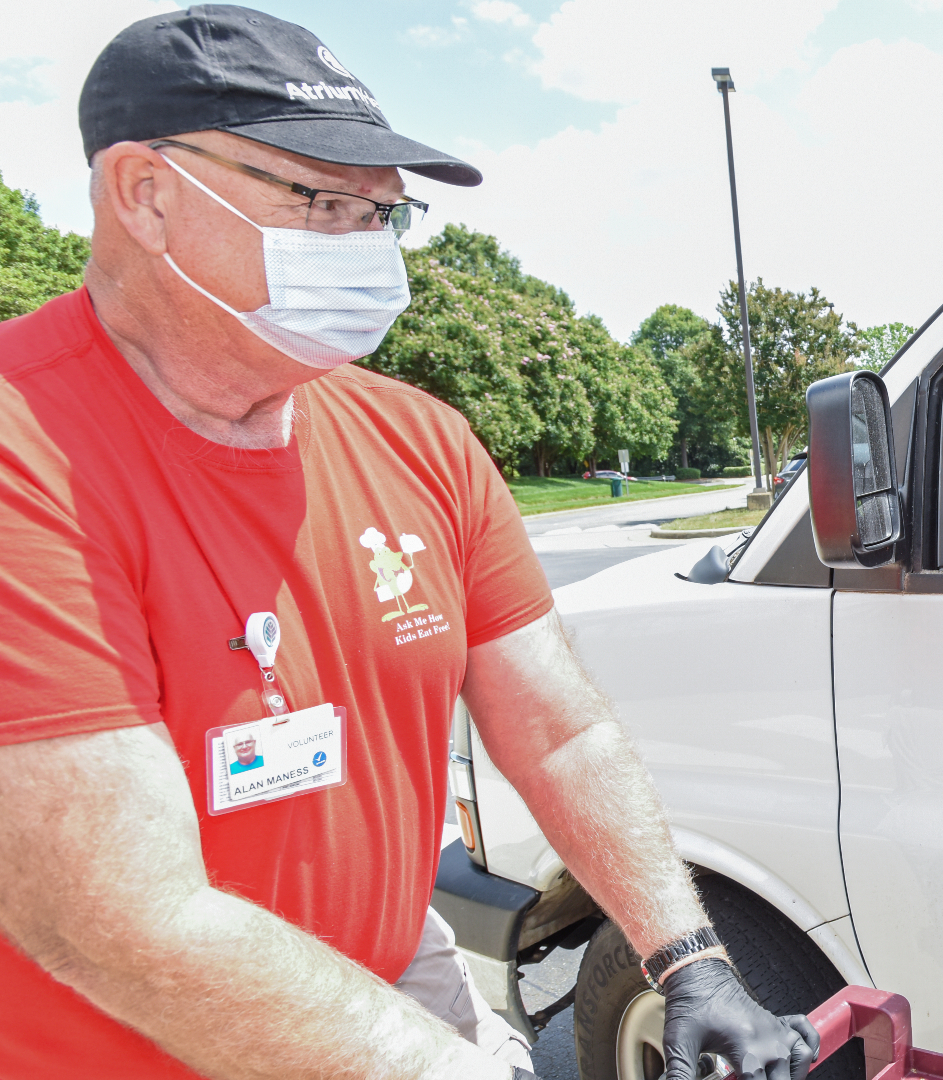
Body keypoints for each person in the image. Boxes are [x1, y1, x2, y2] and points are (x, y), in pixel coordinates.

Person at [0, 9, 817, 1080]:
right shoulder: (29, 448)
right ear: (145, 196)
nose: (364, 245)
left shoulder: (418, 438)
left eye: (383, 214)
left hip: (388, 988)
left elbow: (559, 730)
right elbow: (124, 919)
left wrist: (690, 959)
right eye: (322, 201)